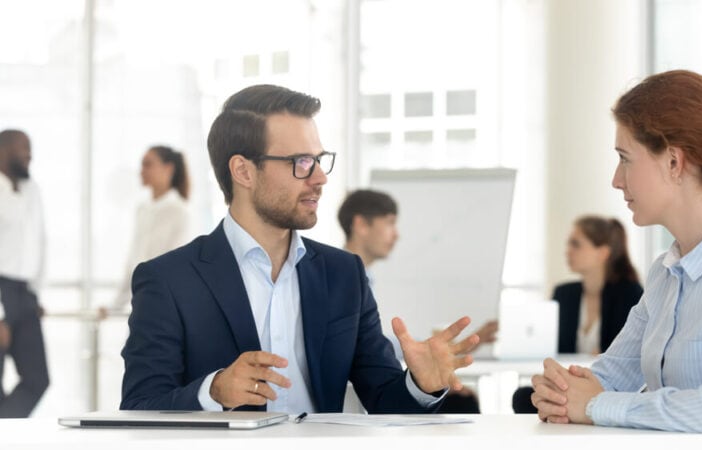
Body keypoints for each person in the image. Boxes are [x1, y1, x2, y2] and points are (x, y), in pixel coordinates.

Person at [120, 84, 479, 414]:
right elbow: (140, 405)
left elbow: (384, 399)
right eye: (301, 162)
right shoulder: (169, 280)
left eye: (319, 160)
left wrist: (421, 385)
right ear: (243, 171)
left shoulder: (344, 274)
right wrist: (213, 391)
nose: (320, 178)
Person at [531, 70, 702, 450]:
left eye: (625, 159)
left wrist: (593, 404)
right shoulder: (665, 273)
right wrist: (560, 391)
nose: (616, 180)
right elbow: (609, 377)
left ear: (674, 162)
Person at [337, 188, 497, 413]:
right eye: (390, 223)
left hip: (372, 387)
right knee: (459, 404)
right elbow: (365, 347)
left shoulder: (361, 277)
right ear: (361, 225)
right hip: (357, 395)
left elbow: (372, 343)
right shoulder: (339, 280)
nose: (397, 235)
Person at [512, 215, 642, 413]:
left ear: (602, 253)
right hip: (570, 383)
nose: (567, 251)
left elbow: (624, 360)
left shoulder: (629, 293)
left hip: (606, 391)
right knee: (525, 396)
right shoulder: (564, 294)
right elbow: (555, 348)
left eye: (576, 244)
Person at [106, 145, 191, 312]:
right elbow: (133, 262)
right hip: (142, 302)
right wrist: (114, 306)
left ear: (168, 168)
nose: (141, 171)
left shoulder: (179, 211)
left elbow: (176, 265)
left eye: (148, 164)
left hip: (166, 305)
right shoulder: (142, 210)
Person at [0, 129, 49, 417]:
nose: (29, 154)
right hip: (0, 290)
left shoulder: (33, 190)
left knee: (37, 379)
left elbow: (41, 240)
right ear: (3, 150)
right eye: (23, 148)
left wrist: (35, 291)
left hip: (24, 292)